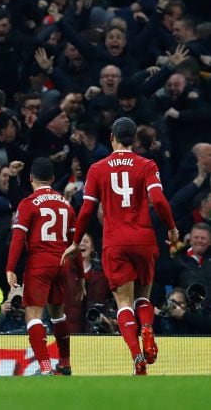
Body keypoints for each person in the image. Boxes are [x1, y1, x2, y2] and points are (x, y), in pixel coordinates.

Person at [61, 117, 180, 376]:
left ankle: (136, 356)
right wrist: (171, 227)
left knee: (123, 303)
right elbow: (158, 200)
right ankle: (147, 327)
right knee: (143, 298)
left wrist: (74, 240)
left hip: (115, 242)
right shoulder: (147, 164)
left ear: (112, 138)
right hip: (143, 239)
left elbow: (87, 210)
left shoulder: (98, 169)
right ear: (134, 140)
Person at [6, 157, 82, 376]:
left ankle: (46, 366)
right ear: (53, 179)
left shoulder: (28, 203)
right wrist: (81, 276)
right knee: (58, 314)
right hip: (62, 264)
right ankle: (65, 363)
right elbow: (73, 242)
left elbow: (18, 238)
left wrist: (10, 268)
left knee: (34, 316)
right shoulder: (66, 204)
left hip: (39, 264)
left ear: (31, 179)